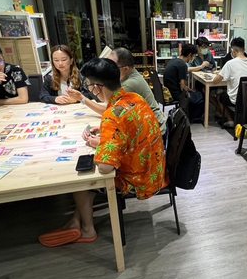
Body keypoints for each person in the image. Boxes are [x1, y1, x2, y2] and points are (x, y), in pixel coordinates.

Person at [38, 58, 167, 247]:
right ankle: (76, 221)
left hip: (139, 178)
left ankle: (87, 230)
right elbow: (129, 131)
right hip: (153, 166)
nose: (90, 90)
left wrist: (100, 145)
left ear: (97, 87)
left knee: (82, 181)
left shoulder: (111, 115)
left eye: (89, 86)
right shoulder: (134, 98)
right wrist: (105, 137)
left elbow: (106, 167)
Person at [68, 47, 166, 135]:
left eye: (112, 65)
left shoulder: (128, 85)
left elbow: (108, 111)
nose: (107, 67)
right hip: (146, 126)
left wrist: (82, 99)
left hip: (154, 130)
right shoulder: (127, 76)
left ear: (125, 69)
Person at [212, 37, 247, 127]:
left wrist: (220, 73)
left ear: (233, 51)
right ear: (244, 49)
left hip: (235, 100)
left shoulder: (230, 63)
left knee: (219, 95)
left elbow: (215, 81)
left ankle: (230, 120)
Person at [163, 43, 204, 123]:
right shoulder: (183, 65)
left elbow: (180, 83)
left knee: (194, 93)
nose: (193, 58)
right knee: (200, 97)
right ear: (189, 55)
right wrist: (188, 92)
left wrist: (187, 88)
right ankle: (193, 119)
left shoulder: (174, 60)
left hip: (169, 92)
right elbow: (182, 87)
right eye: (193, 56)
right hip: (176, 95)